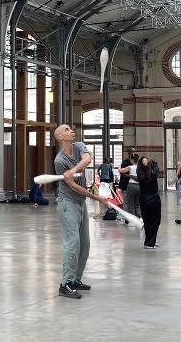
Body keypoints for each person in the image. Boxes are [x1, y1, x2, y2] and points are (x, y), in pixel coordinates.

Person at [53, 124, 109, 299]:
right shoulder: (59, 160)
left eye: (71, 129)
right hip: (67, 202)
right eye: (67, 130)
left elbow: (87, 160)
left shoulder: (78, 146)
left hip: (80, 203)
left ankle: (76, 279)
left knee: (85, 243)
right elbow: (74, 187)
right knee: (73, 242)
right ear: (61, 137)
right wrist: (98, 198)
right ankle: (65, 284)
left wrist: (74, 170)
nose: (72, 131)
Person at [137, 156, 161, 248]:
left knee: (147, 221)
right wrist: (151, 161)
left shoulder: (140, 173)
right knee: (155, 221)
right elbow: (156, 166)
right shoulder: (152, 173)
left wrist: (143, 162)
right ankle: (150, 243)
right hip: (153, 199)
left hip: (143, 199)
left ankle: (150, 241)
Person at [118, 154, 141, 223]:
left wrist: (119, 166)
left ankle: (133, 221)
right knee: (137, 204)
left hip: (131, 186)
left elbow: (121, 171)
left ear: (132, 160)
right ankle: (139, 219)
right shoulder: (140, 167)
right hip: (139, 186)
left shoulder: (130, 167)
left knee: (131, 204)